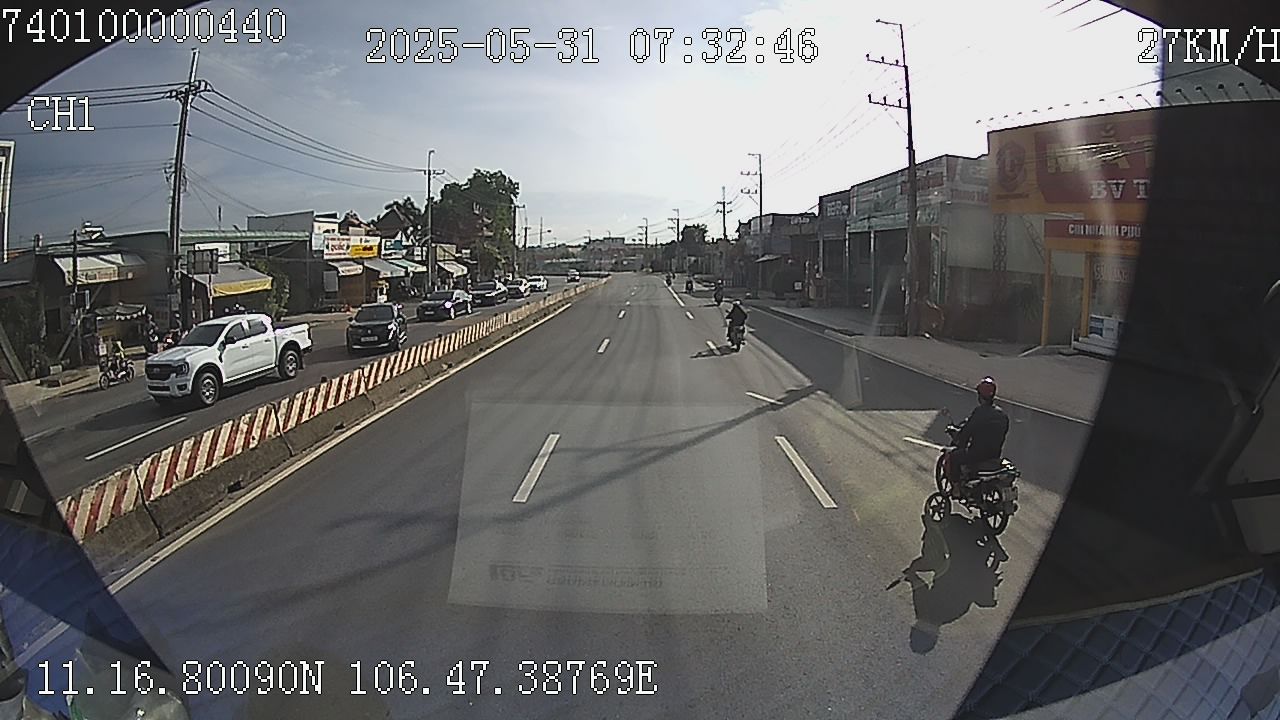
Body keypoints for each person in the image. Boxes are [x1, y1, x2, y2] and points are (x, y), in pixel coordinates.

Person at [945, 377, 1010, 484]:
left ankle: (956, 487)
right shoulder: (1002, 415)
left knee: (953, 457)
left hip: (976, 454)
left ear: (980, 396)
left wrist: (958, 437)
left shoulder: (979, 412)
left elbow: (966, 432)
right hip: (994, 454)